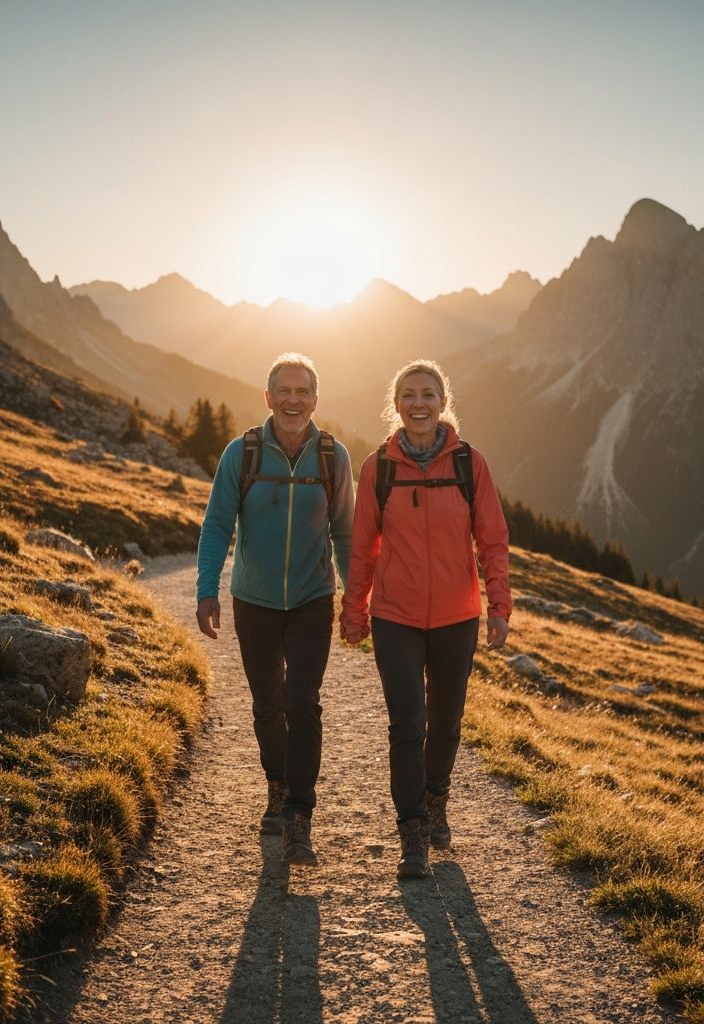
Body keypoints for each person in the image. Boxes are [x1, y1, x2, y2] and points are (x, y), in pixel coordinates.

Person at [340, 359, 511, 878]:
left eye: (429, 394)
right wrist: (354, 611)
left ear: (443, 402)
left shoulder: (468, 464)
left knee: (447, 724)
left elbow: (493, 540)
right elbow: (363, 547)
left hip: (457, 617)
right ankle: (412, 831)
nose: (419, 403)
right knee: (407, 724)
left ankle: (437, 798)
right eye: (409, 395)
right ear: (396, 405)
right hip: (396, 617)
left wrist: (499, 606)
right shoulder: (378, 468)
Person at [196, 353, 354, 867]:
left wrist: (355, 596)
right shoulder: (241, 454)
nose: (292, 399)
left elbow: (345, 532)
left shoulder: (333, 456)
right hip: (254, 600)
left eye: (302, 391)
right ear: (268, 397)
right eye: (282, 391)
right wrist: (206, 589)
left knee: (302, 702)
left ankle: (299, 815)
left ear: (314, 399)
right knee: (267, 704)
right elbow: (218, 524)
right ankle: (276, 783)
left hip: (312, 599)